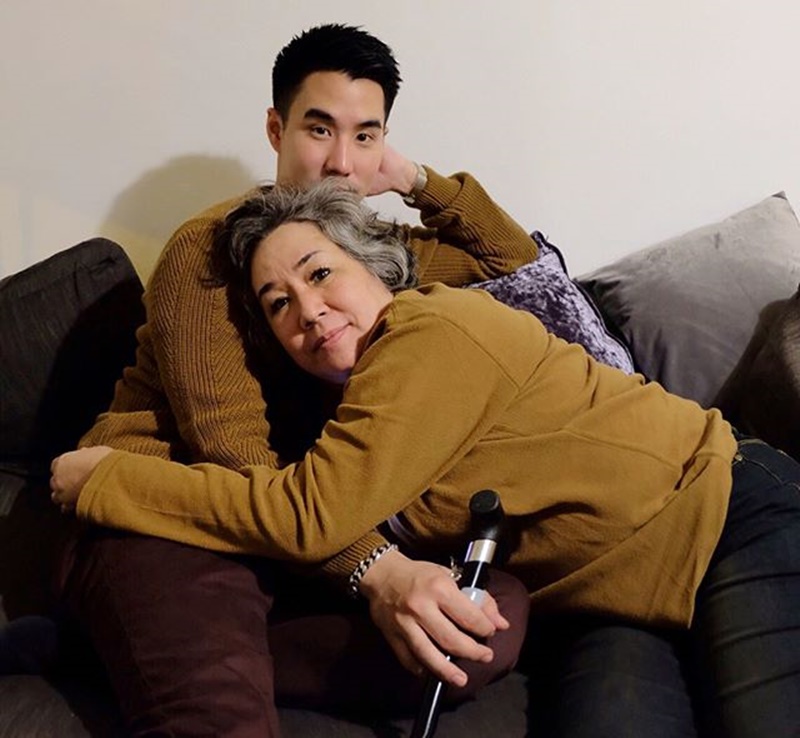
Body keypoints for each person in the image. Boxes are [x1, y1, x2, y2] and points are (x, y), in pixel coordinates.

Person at [52, 180, 800, 738]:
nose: (308, 309)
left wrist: (106, 478)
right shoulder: (350, 411)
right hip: (613, 601)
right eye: (277, 303)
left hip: (731, 513)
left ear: (376, 267)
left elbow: (306, 515)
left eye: (319, 273)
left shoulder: (431, 332)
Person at [55, 23, 535, 737]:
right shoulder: (208, 250)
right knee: (220, 708)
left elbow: (516, 266)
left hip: (296, 531)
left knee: (488, 611)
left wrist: (414, 179)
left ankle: (127, 651)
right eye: (319, 129)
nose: (341, 161)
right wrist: (378, 570)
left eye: (365, 136)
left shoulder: (370, 253)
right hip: (174, 513)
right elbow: (232, 453)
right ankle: (173, 645)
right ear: (276, 130)